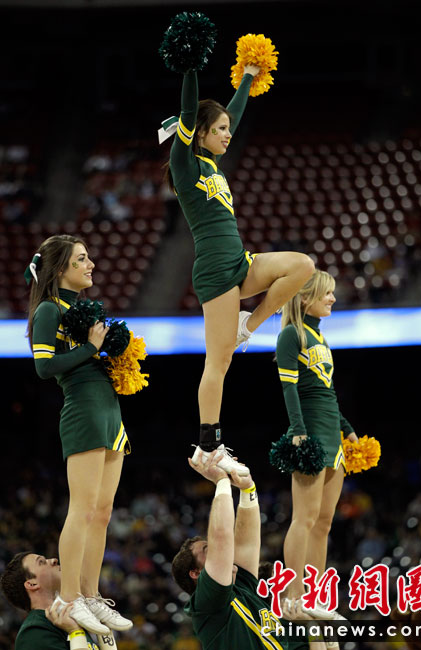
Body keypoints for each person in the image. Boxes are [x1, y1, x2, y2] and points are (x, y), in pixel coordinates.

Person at [166, 63, 315, 473]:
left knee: (302, 266)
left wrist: (248, 76)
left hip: (240, 261)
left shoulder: (214, 163)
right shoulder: (185, 164)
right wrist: (191, 67)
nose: (228, 134)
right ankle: (207, 445)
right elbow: (188, 109)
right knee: (218, 363)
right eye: (219, 129)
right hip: (215, 270)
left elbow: (232, 112)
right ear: (199, 133)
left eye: (228, 129)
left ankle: (247, 326)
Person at [25, 234, 132, 635]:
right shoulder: (49, 310)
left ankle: (90, 594)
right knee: (83, 510)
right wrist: (90, 348)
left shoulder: (83, 309)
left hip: (110, 412)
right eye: (82, 259)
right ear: (60, 269)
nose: (91, 265)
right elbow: (44, 367)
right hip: (83, 411)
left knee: (103, 513)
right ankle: (69, 597)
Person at [275, 270, 358, 618]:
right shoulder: (291, 335)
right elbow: (290, 389)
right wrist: (298, 429)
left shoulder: (320, 336)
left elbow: (327, 391)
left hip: (332, 436)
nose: (333, 298)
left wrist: (346, 428)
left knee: (324, 522)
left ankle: (315, 596)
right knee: (304, 519)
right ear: (305, 297)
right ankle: (293, 596)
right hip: (309, 434)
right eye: (327, 293)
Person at [171, 451, 311, 650]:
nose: (219, 551)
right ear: (196, 573)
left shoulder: (242, 586)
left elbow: (247, 544)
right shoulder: (207, 602)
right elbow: (221, 535)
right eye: (207, 549)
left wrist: (247, 490)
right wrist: (221, 481)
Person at [0, 551, 117, 649]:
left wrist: (104, 631)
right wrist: (76, 633)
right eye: (42, 562)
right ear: (32, 584)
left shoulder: (70, 621)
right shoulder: (33, 632)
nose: (54, 560)